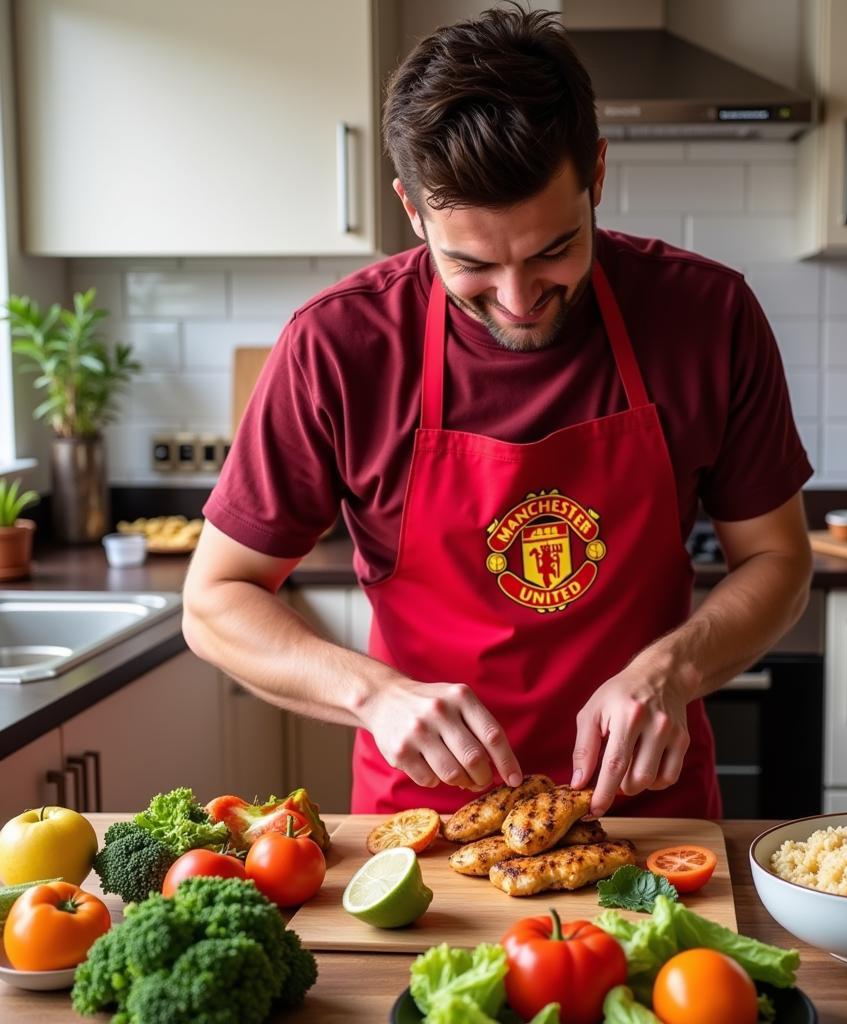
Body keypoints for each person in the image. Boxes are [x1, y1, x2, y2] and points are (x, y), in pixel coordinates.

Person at [183, 5, 813, 821]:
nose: (518, 300)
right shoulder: (338, 345)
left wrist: (675, 670)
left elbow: (779, 561)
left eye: (554, 248)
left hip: (646, 817)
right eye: (472, 264)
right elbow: (215, 599)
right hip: (427, 831)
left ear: (597, 176)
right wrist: (373, 694)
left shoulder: (709, 315)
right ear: (412, 212)